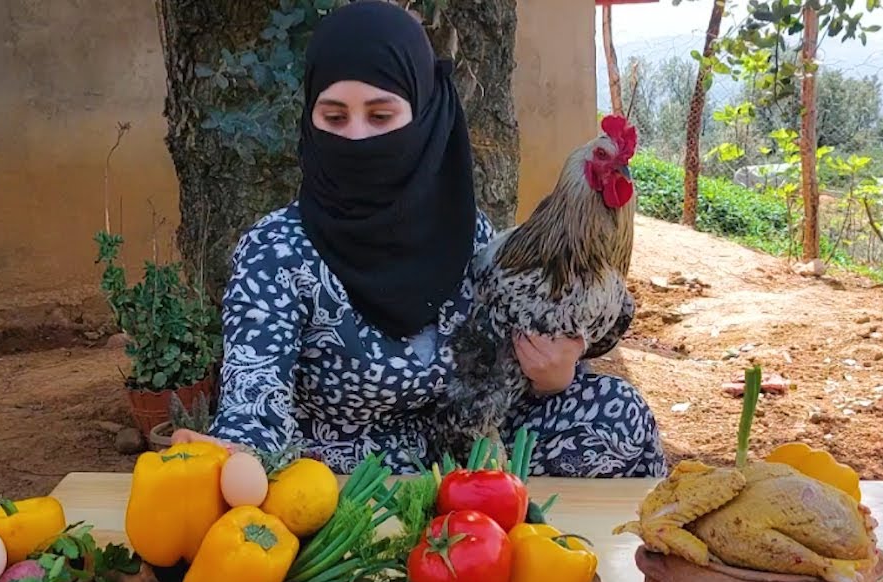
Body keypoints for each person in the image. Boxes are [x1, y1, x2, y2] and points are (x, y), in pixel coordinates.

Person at [174, 0, 667, 478]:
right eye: (335, 117)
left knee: (617, 412)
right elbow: (254, 395)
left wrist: (551, 376)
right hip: (338, 484)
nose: (358, 138)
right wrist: (237, 452)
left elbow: (495, 367)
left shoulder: (465, 230)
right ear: (311, 121)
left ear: (426, 116)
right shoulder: (278, 252)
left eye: (382, 116)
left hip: (462, 458)